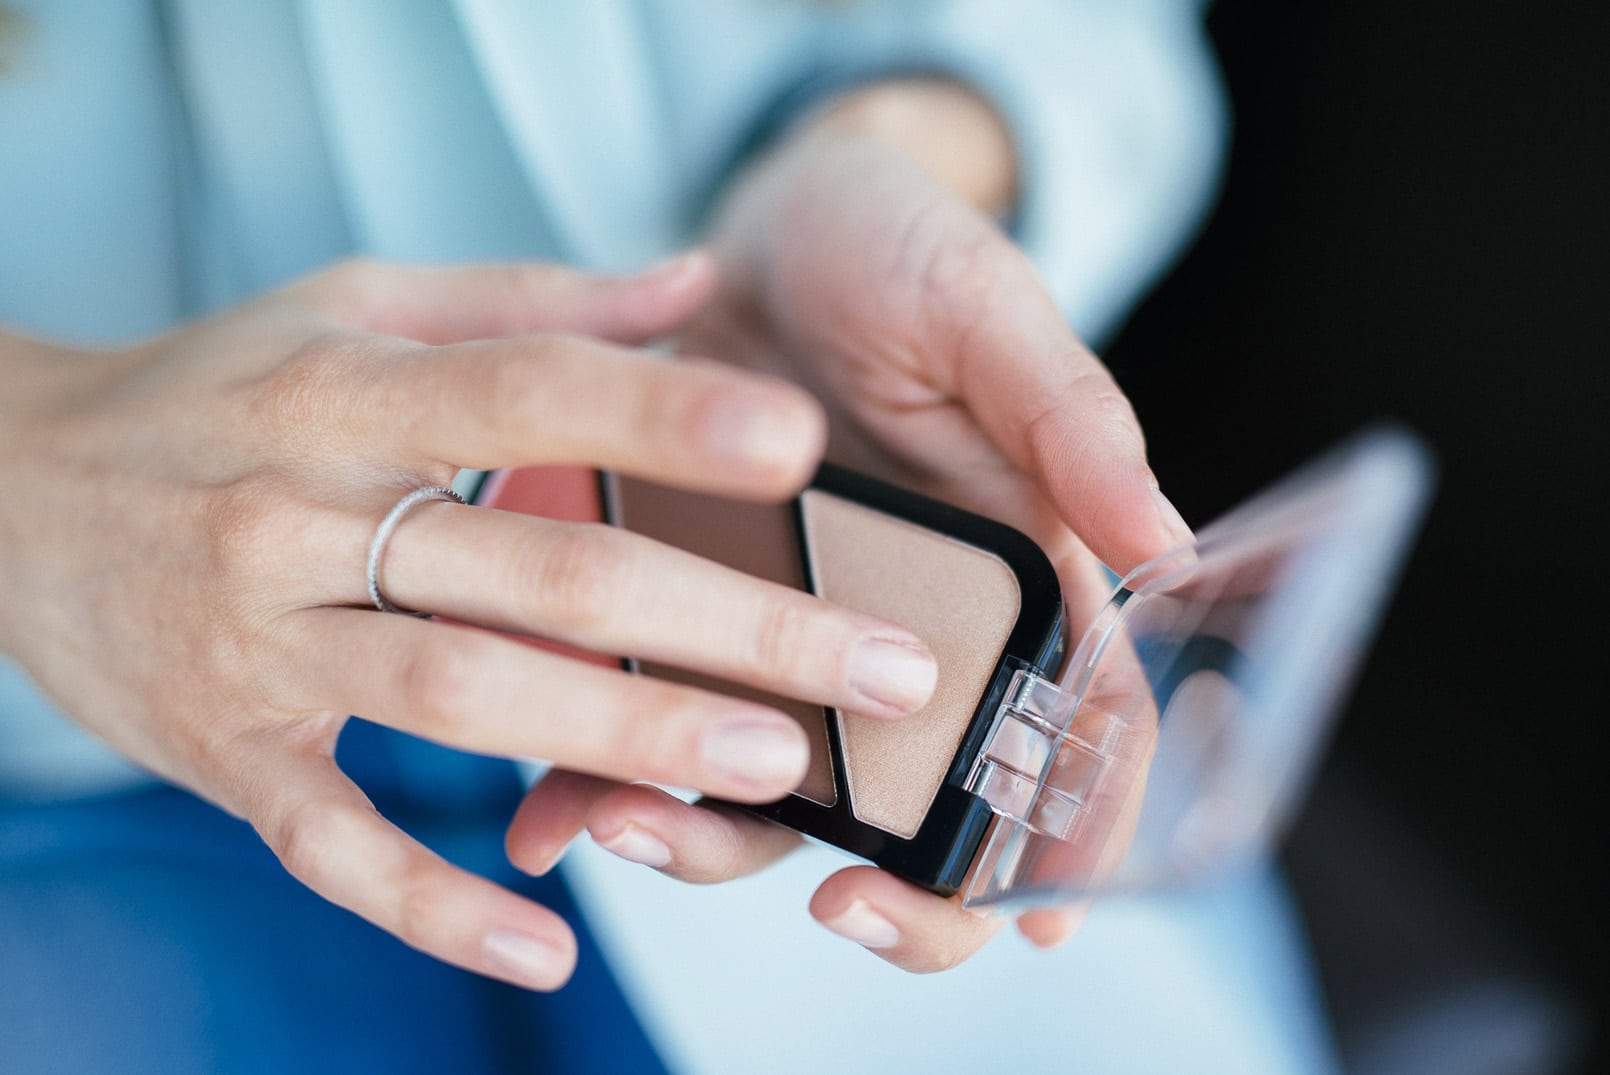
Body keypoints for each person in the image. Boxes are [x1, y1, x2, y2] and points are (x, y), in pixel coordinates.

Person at [0, 2, 1337, 1071]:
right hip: (70, 722)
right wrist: (33, 467)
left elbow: (1105, 40)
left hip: (727, 530)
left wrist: (888, 143)